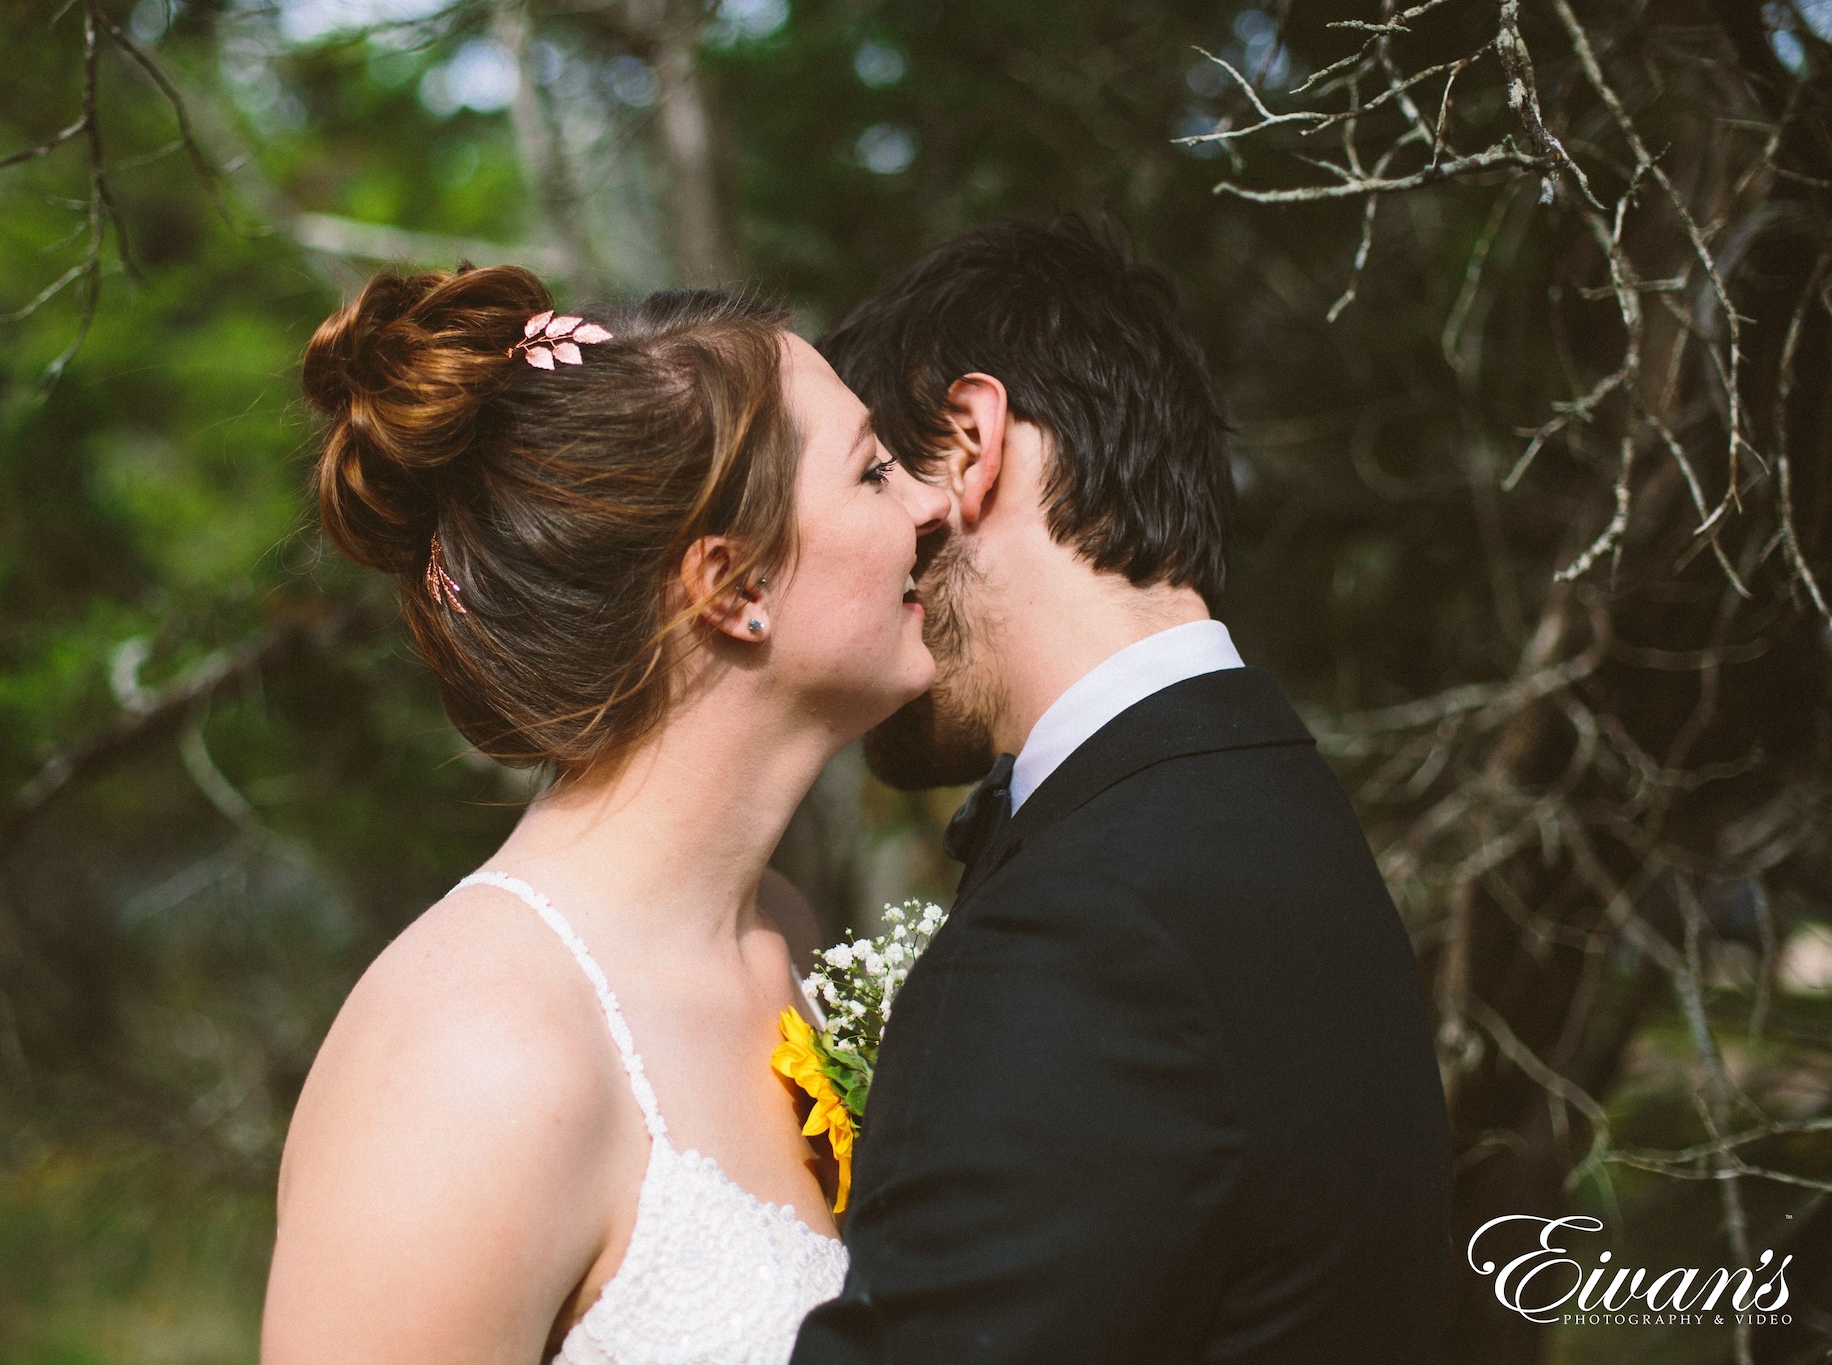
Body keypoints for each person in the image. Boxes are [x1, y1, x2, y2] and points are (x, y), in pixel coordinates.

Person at [789, 216, 1452, 1364]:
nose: (857, 558)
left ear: (967, 440)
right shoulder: (1267, 801)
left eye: (870, 479)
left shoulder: (1083, 933)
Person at [262, 264, 947, 1365]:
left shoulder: (780, 931)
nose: (930, 500)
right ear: (732, 587)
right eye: (873, 472)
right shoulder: (470, 1055)